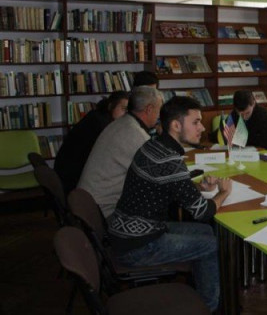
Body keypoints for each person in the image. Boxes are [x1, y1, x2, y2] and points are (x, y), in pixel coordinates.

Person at [108, 96, 231, 313]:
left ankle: (200, 291)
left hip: (127, 233)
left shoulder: (154, 145)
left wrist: (198, 187)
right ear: (176, 125)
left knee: (205, 232)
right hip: (137, 246)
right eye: (196, 122)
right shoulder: (169, 160)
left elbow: (166, 187)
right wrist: (223, 193)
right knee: (211, 244)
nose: (202, 128)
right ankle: (208, 307)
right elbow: (203, 212)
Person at [77, 86, 163, 218]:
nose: (159, 116)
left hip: (88, 204)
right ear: (149, 109)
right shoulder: (136, 134)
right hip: (105, 212)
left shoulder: (122, 123)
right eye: (159, 110)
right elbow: (159, 176)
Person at [54, 91, 129, 195]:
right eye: (123, 109)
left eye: (128, 110)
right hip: (73, 179)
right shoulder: (102, 123)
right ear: (111, 106)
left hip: (67, 172)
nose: (126, 114)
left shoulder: (98, 115)